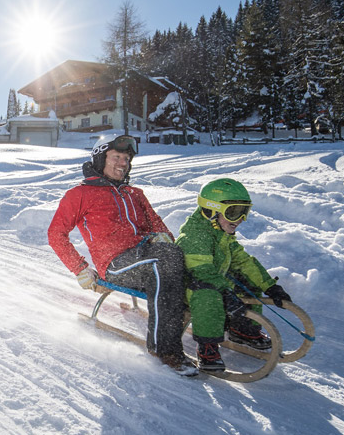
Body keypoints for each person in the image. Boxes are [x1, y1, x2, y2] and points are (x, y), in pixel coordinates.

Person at [47, 135, 195, 376]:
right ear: (99, 159)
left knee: (180, 257)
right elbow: (56, 234)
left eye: (126, 159)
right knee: (163, 261)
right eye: (116, 157)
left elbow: (158, 226)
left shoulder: (134, 193)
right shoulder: (79, 194)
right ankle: (164, 349)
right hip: (116, 264)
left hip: (147, 255)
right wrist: (80, 268)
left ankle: (208, 322)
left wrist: (164, 239)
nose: (122, 163)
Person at [175, 178, 292, 371]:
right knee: (209, 294)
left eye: (244, 212)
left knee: (245, 280)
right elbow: (203, 272)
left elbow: (244, 261)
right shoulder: (194, 236)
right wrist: (226, 292)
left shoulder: (221, 234)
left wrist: (269, 286)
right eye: (234, 213)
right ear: (210, 210)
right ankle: (207, 347)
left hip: (214, 282)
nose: (240, 220)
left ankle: (243, 330)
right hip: (190, 289)